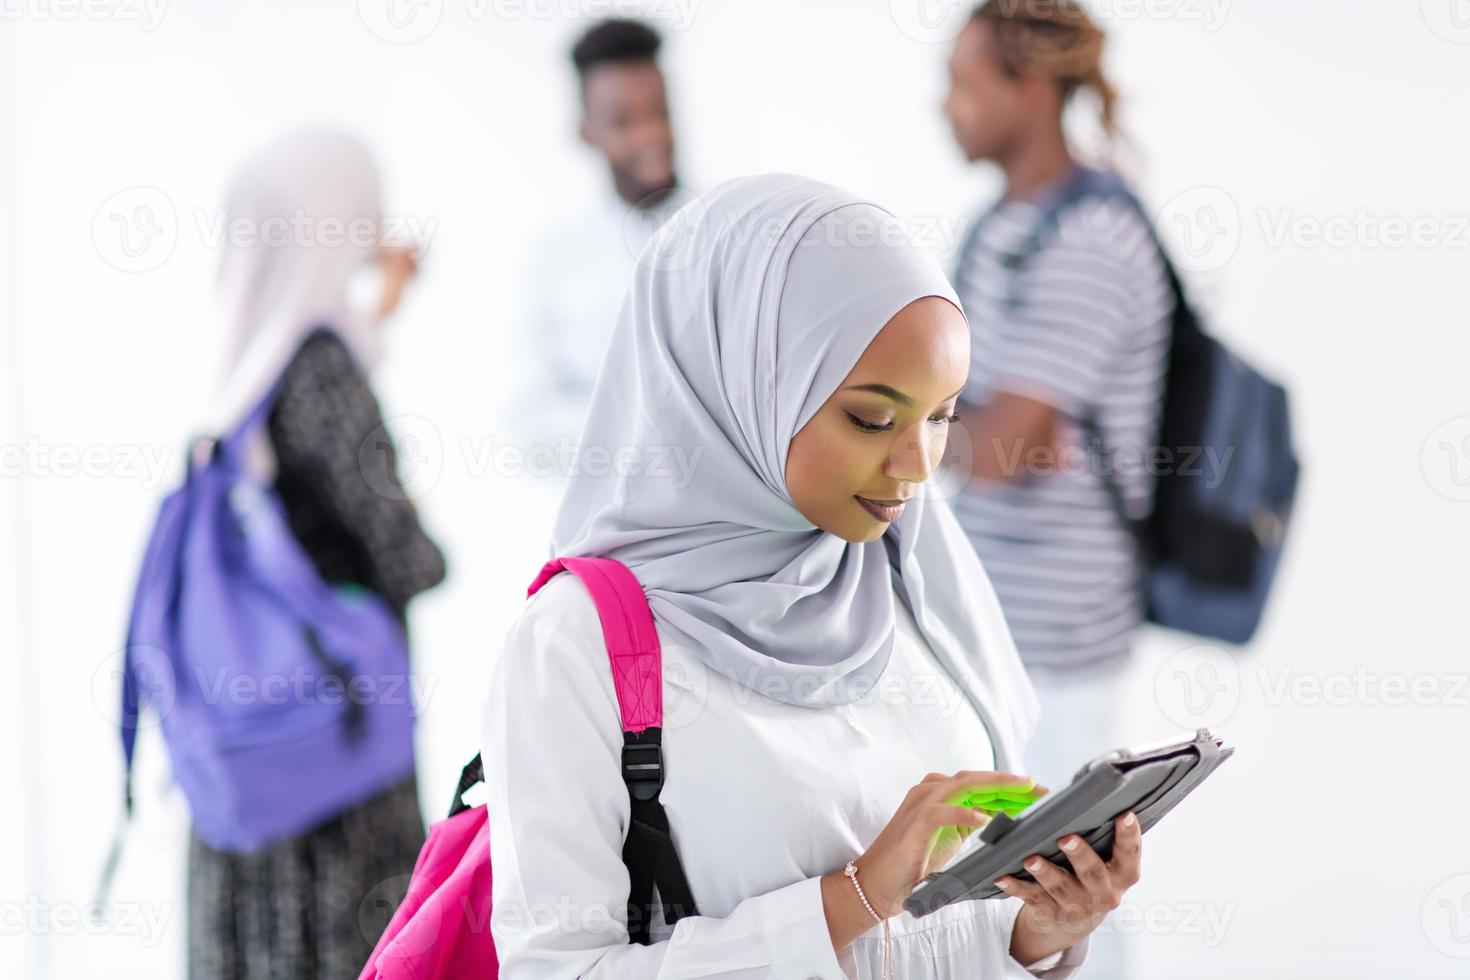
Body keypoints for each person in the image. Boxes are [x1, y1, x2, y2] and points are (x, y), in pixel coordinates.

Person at [482, 174, 1147, 978]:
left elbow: (943, 924)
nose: (917, 467)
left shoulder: (911, 584)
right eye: (872, 418)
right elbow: (555, 970)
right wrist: (854, 895)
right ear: (741, 385)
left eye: (942, 416)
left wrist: (1042, 934)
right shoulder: (575, 645)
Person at [942, 5, 1173, 973]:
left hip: (1059, 636)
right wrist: (970, 427)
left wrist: (886, 420)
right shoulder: (1003, 226)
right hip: (995, 621)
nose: (942, 106)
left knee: (1071, 871)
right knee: (1004, 869)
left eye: (963, 82)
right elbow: (988, 432)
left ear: (1027, 89)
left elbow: (1000, 446)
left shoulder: (1090, 238)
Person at [188, 128, 446, 979]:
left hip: (259, 762)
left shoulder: (238, 367)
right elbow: (405, 555)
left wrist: (385, 299)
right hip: (335, 764)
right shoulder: (322, 368)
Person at [521, 18, 684, 452]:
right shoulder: (555, 263)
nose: (651, 134)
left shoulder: (734, 233)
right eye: (623, 120)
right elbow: (529, 420)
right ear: (586, 132)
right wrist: (645, 433)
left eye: (660, 112)